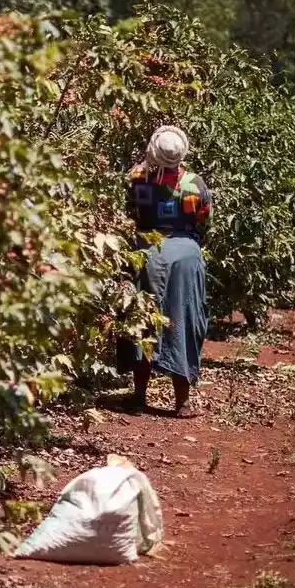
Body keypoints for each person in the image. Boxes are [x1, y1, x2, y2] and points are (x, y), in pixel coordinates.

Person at [121, 125, 211, 415]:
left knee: (143, 317)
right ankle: (182, 402)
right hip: (185, 256)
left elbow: (130, 213)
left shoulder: (137, 179)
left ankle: (138, 397)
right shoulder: (195, 184)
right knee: (183, 317)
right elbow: (203, 218)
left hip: (147, 252)